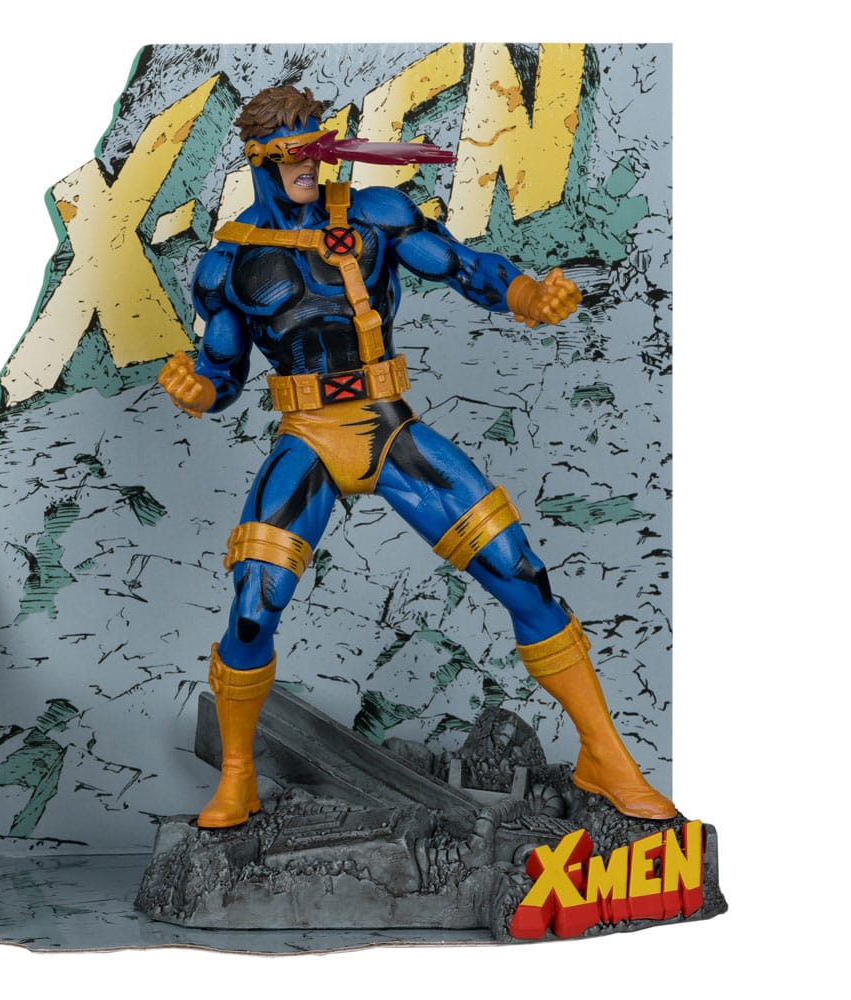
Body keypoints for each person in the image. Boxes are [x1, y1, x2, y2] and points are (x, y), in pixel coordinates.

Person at [159, 85, 676, 828]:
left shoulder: (375, 215)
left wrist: (526, 296)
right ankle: (237, 775)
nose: (311, 161)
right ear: (259, 159)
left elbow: (464, 266)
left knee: (520, 571)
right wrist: (197, 389)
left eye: (318, 142)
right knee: (253, 606)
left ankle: (606, 755)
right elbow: (223, 372)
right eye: (295, 149)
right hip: (309, 437)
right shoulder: (229, 264)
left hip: (387, 427)